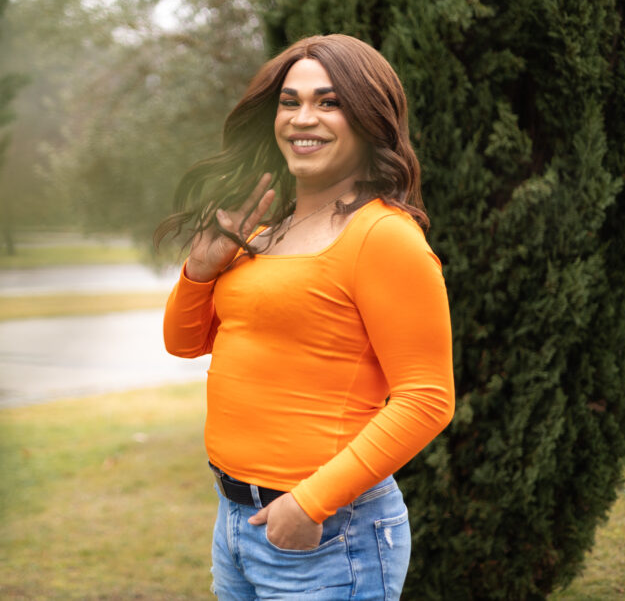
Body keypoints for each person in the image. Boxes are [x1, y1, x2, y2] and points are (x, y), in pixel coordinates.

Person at [158, 34, 454, 600]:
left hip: (327, 531)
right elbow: (184, 343)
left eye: (329, 102)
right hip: (237, 519)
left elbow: (427, 397)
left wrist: (310, 502)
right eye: (290, 101)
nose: (303, 118)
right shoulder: (266, 232)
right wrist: (200, 269)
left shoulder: (384, 236)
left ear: (370, 119)